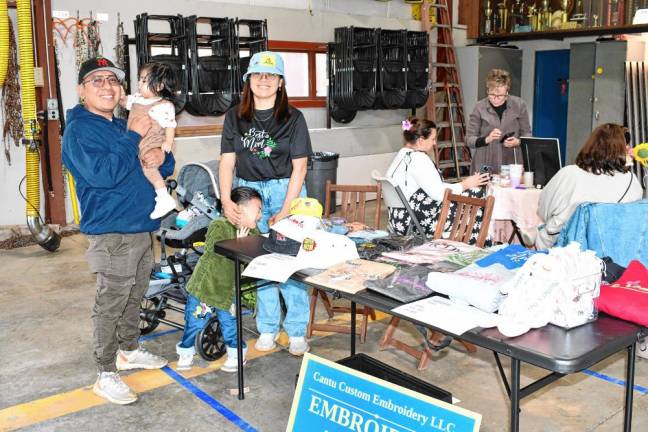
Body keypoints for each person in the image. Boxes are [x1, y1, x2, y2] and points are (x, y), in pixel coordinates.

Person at [62, 57, 174, 405]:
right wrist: (133, 137)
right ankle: (105, 371)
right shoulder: (80, 130)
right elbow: (103, 174)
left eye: (113, 80)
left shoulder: (122, 123)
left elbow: (158, 160)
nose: (108, 86)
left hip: (141, 226)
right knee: (110, 302)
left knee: (135, 293)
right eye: (97, 81)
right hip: (112, 231)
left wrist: (160, 157)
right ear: (81, 90)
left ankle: (128, 350)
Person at [219, 51, 312, 356]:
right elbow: (227, 161)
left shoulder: (294, 118)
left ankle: (297, 329)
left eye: (270, 75)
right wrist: (225, 198)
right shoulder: (235, 116)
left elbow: (300, 167)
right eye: (257, 75)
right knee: (260, 263)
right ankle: (269, 327)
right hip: (248, 194)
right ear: (248, 81)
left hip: (286, 189)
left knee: (291, 262)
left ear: (281, 82)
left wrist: (286, 209)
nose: (263, 80)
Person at [176, 187, 262, 372]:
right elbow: (214, 250)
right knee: (194, 321)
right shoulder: (220, 225)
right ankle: (186, 351)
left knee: (230, 324)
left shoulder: (254, 232)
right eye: (258, 209)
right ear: (240, 209)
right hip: (205, 289)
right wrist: (239, 244)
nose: (260, 215)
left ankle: (236, 355)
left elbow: (255, 256)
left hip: (228, 291)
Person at [532, 123, 643, 249]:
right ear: (623, 152)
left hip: (563, 249)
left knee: (543, 231)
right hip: (607, 250)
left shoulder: (569, 174)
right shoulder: (632, 182)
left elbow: (543, 210)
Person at [386, 117, 490, 241]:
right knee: (475, 194)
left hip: (399, 218)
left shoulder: (402, 154)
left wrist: (462, 184)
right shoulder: (419, 159)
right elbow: (439, 194)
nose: (435, 143)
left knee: (467, 192)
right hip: (415, 221)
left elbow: (433, 187)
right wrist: (465, 184)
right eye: (433, 139)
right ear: (420, 141)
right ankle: (475, 243)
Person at [121, 62, 178, 219]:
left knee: (149, 168)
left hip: (151, 141)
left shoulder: (163, 105)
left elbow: (170, 126)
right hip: (137, 141)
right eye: (140, 79)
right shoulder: (136, 99)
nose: (140, 83)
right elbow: (123, 101)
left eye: (145, 80)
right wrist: (119, 93)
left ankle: (163, 197)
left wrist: (167, 142)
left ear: (159, 86)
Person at [465, 68, 531, 174]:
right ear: (487, 91)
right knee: (486, 189)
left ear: (507, 92)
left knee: (511, 189)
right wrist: (487, 139)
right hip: (485, 162)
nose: (495, 99)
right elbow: (469, 140)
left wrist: (518, 142)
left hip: (511, 162)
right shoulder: (479, 107)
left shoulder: (519, 105)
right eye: (491, 95)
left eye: (500, 95)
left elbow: (527, 134)